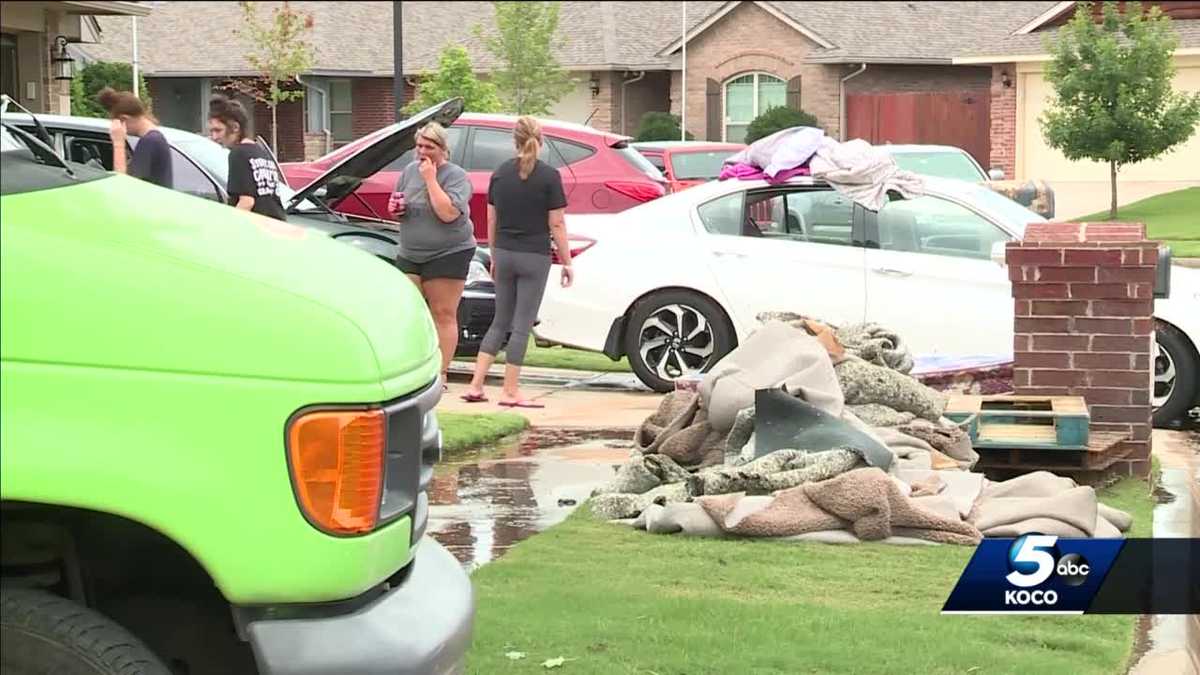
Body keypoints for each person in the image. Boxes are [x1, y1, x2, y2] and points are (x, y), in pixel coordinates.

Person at [461, 116, 573, 408]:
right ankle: (510, 390)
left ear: (514, 140)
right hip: (534, 255)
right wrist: (567, 260)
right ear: (541, 139)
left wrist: (495, 255)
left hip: (506, 254)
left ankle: (475, 385)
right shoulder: (549, 176)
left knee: (500, 321)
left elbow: (491, 218)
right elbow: (557, 223)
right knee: (521, 324)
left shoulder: (500, 173)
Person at [388, 121, 475, 390]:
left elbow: (448, 213)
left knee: (442, 312)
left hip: (448, 251)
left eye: (429, 146)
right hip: (411, 250)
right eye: (419, 146)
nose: (422, 151)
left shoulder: (456, 176)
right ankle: (411, 366)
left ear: (442, 149)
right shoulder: (409, 171)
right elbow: (400, 201)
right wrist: (395, 208)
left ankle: (441, 372)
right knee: (410, 310)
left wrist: (430, 178)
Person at [206, 94, 287, 221]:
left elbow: (247, 202)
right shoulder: (261, 152)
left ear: (235, 127)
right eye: (211, 131)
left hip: (256, 230)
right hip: (277, 226)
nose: (214, 137)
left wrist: (228, 228)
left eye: (218, 130)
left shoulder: (238, 154)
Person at [98, 87, 172, 189]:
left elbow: (123, 184)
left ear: (124, 119)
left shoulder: (149, 141)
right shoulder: (154, 138)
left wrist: (118, 143)